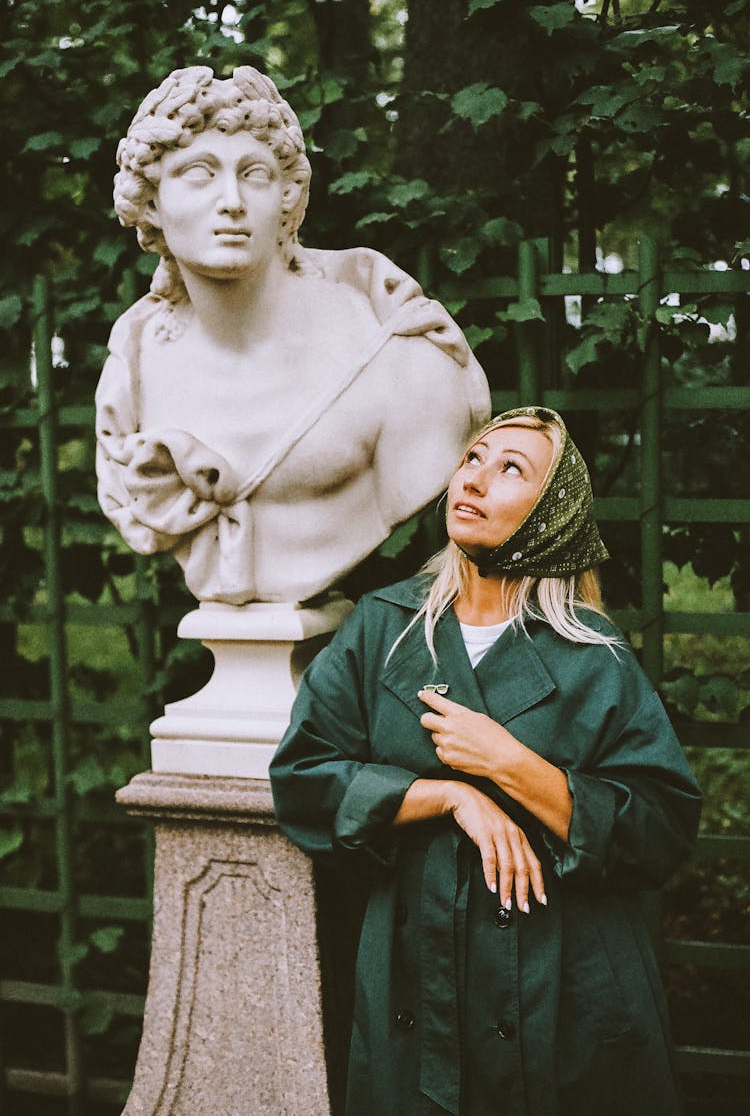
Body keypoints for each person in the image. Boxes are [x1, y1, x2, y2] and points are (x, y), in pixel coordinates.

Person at [269, 406, 702, 1116]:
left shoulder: (592, 653)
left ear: (551, 512)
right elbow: (303, 779)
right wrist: (450, 796)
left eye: (510, 469)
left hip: (560, 985)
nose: (474, 479)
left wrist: (509, 763)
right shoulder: (383, 626)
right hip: (415, 977)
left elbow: (659, 829)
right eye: (473, 457)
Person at [95, 65, 490, 604]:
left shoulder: (395, 347)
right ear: (149, 204)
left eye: (254, 174)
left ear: (287, 196)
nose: (231, 200)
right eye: (199, 173)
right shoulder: (133, 361)